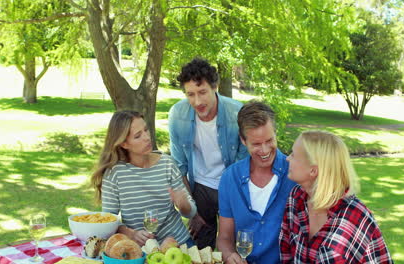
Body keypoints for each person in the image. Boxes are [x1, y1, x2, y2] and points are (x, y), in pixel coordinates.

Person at [168, 58, 248, 249]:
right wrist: (193, 211)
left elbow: (243, 165)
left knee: (235, 247)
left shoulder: (237, 113)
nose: (197, 101)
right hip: (200, 188)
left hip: (233, 185)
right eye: (190, 94)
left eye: (202, 92)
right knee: (200, 248)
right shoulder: (177, 115)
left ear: (215, 87)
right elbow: (179, 167)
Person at [279, 130, 393, 263]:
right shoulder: (296, 197)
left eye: (293, 155)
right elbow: (286, 250)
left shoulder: (351, 220)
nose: (287, 158)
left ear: (313, 170)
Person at [91, 110, 197, 246]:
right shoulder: (115, 174)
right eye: (138, 136)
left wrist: (184, 205)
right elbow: (108, 221)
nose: (147, 137)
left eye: (146, 130)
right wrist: (131, 233)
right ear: (124, 144)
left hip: (178, 242)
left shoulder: (167, 164)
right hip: (140, 249)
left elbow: (191, 212)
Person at [217, 101, 296, 264]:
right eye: (256, 144)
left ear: (276, 132)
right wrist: (229, 255)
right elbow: (224, 238)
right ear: (243, 141)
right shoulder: (230, 178)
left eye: (269, 140)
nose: (265, 150)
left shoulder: (295, 174)